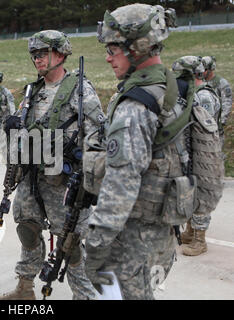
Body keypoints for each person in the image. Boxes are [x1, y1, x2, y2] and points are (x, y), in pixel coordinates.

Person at [0, 30, 104, 300]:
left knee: (72, 242)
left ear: (60, 53)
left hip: (64, 180)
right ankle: (25, 288)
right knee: (27, 230)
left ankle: (85, 295)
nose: (37, 59)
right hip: (32, 176)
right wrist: (11, 126)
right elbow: (23, 129)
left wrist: (90, 180)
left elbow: (97, 136)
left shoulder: (80, 91)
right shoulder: (34, 91)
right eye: (34, 55)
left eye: (42, 53)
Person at [84, 4, 180, 299]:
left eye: (114, 48)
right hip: (163, 236)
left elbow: (122, 183)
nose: (108, 57)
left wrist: (96, 243)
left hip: (131, 242)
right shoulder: (174, 92)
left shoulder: (134, 107)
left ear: (137, 47)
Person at [171, 56, 221, 256]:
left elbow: (203, 127)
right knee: (190, 190)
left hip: (204, 152)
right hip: (191, 149)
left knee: (201, 192)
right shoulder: (193, 93)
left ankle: (200, 239)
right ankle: (191, 231)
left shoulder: (204, 96)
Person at [201, 55, 232, 147]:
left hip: (216, 126)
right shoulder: (199, 82)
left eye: (205, 69)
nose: (202, 72)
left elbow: (227, 102)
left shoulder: (221, 83)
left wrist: (221, 120)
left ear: (211, 69)